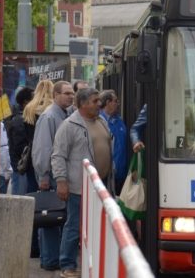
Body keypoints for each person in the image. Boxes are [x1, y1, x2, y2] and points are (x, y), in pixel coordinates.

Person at [52, 88, 112, 278]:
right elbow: (58, 156)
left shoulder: (101, 121)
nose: (99, 104)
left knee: (96, 228)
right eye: (95, 101)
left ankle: (90, 264)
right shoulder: (69, 126)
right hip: (79, 187)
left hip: (101, 187)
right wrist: (61, 181)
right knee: (74, 226)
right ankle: (67, 265)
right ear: (83, 104)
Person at [32, 80, 74, 271]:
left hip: (59, 175)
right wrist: (43, 176)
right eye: (66, 93)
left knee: (56, 218)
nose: (71, 96)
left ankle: (52, 258)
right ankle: (49, 259)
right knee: (50, 217)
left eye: (72, 93)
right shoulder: (50, 117)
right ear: (56, 95)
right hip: (51, 177)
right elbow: (42, 149)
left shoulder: (64, 115)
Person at [23, 80, 54, 260]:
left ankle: (32, 246)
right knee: (49, 206)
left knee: (32, 204)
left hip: (31, 160)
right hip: (45, 161)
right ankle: (45, 250)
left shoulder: (29, 109)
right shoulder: (50, 110)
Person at [5, 86, 34, 195]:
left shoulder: (21, 118)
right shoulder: (21, 120)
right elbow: (20, 148)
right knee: (20, 201)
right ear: (26, 102)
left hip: (21, 168)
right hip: (21, 169)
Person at [99, 89, 128, 195]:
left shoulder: (118, 120)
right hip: (109, 174)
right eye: (115, 101)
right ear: (108, 102)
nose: (118, 104)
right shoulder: (99, 121)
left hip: (121, 172)